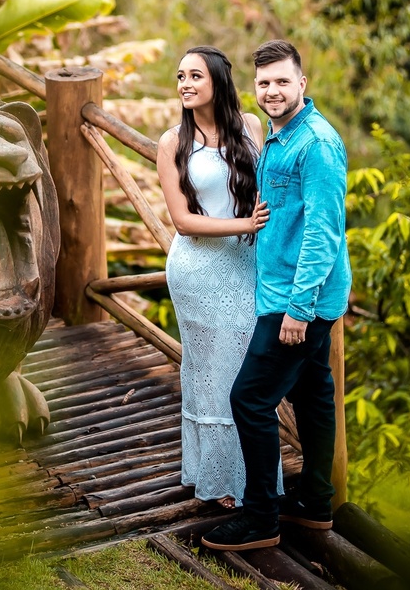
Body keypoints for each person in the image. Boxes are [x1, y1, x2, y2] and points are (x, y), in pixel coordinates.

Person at [202, 39, 352, 551]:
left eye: (282, 81)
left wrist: (298, 310)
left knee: (249, 399)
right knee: (313, 394)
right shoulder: (279, 135)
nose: (271, 91)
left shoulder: (318, 145)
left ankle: (261, 516)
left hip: (298, 302)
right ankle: (314, 502)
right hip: (289, 294)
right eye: (263, 83)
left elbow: (323, 234)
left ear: (302, 85)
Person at [156, 45, 272, 511]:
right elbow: (182, 221)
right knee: (210, 372)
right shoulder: (172, 143)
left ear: (218, 81)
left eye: (194, 76)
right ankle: (219, 480)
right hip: (198, 271)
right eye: (180, 76)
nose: (184, 84)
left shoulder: (250, 127)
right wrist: (245, 225)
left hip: (247, 266)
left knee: (241, 369)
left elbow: (266, 189)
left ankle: (239, 471)